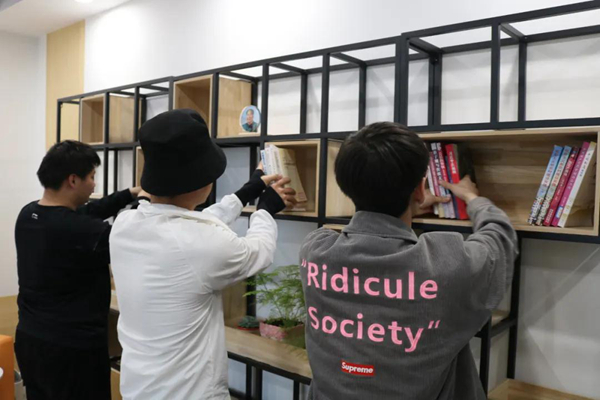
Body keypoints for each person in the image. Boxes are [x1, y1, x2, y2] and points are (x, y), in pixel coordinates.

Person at [299, 122, 518, 399]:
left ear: (345, 186)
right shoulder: (448, 265)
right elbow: (499, 238)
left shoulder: (315, 251)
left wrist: (406, 205)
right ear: (420, 189)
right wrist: (473, 198)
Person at [109, 109, 296, 399]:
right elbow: (257, 252)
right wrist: (265, 211)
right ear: (202, 182)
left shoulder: (125, 224)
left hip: (139, 389)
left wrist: (246, 192)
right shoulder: (197, 241)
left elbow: (193, 226)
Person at [14, 140, 146, 400]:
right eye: (92, 177)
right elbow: (132, 234)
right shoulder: (82, 231)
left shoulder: (29, 214)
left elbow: (89, 211)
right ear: (73, 180)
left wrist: (130, 193)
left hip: (31, 340)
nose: (94, 184)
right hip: (73, 352)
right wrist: (145, 201)